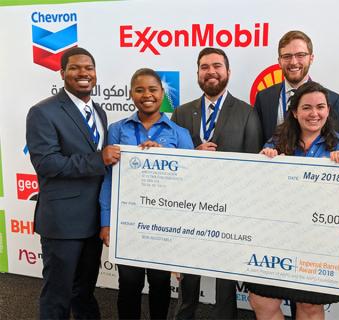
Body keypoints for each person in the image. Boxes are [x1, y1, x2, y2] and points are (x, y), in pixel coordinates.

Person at [247, 81, 339, 320]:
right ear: (294, 112)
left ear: (328, 111)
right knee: (260, 300)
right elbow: (258, 189)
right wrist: (265, 162)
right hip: (275, 238)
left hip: (317, 242)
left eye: (320, 107)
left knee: (309, 307)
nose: (314, 113)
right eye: (306, 108)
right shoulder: (276, 143)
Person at [26, 47, 120, 319]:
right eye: (75, 68)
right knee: (58, 295)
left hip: (93, 221)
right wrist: (97, 159)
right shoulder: (43, 112)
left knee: (84, 292)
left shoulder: (99, 111)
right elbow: (46, 163)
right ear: (62, 72)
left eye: (88, 68)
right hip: (63, 222)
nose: (83, 73)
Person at [171, 47, 262, 319]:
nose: (211, 71)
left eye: (217, 66)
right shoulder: (182, 112)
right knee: (187, 281)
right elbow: (172, 163)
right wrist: (192, 155)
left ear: (228, 72)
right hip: (190, 209)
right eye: (204, 66)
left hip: (230, 210)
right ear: (198, 73)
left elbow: (254, 166)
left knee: (225, 283)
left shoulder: (247, 112)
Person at [99, 68, 194, 319]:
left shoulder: (179, 134)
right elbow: (109, 178)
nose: (147, 95)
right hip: (127, 223)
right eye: (139, 90)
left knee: (160, 285)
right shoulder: (117, 129)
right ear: (131, 94)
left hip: (164, 226)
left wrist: (162, 156)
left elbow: (190, 184)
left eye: (153, 89)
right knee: (129, 284)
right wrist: (106, 221)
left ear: (162, 93)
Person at [255, 30, 339, 145]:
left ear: (311, 58)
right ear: (279, 61)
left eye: (300, 55)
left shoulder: (333, 99)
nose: (293, 62)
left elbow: (335, 146)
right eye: (287, 56)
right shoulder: (264, 98)